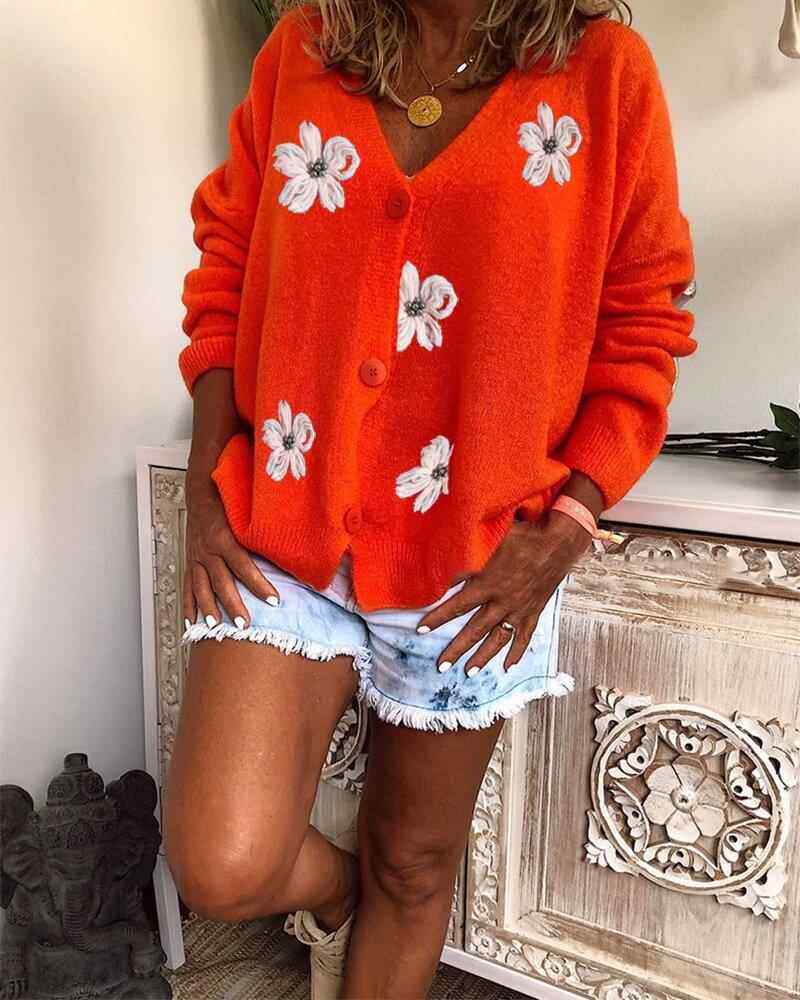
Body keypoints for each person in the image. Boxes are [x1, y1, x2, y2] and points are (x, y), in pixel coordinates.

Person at [163, 0, 696, 996]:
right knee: (221, 860)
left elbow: (643, 321)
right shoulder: (306, 47)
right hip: (286, 520)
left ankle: (373, 915)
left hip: (475, 554)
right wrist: (204, 485)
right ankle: (337, 897)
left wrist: (569, 526)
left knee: (412, 868)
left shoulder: (604, 74)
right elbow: (227, 262)